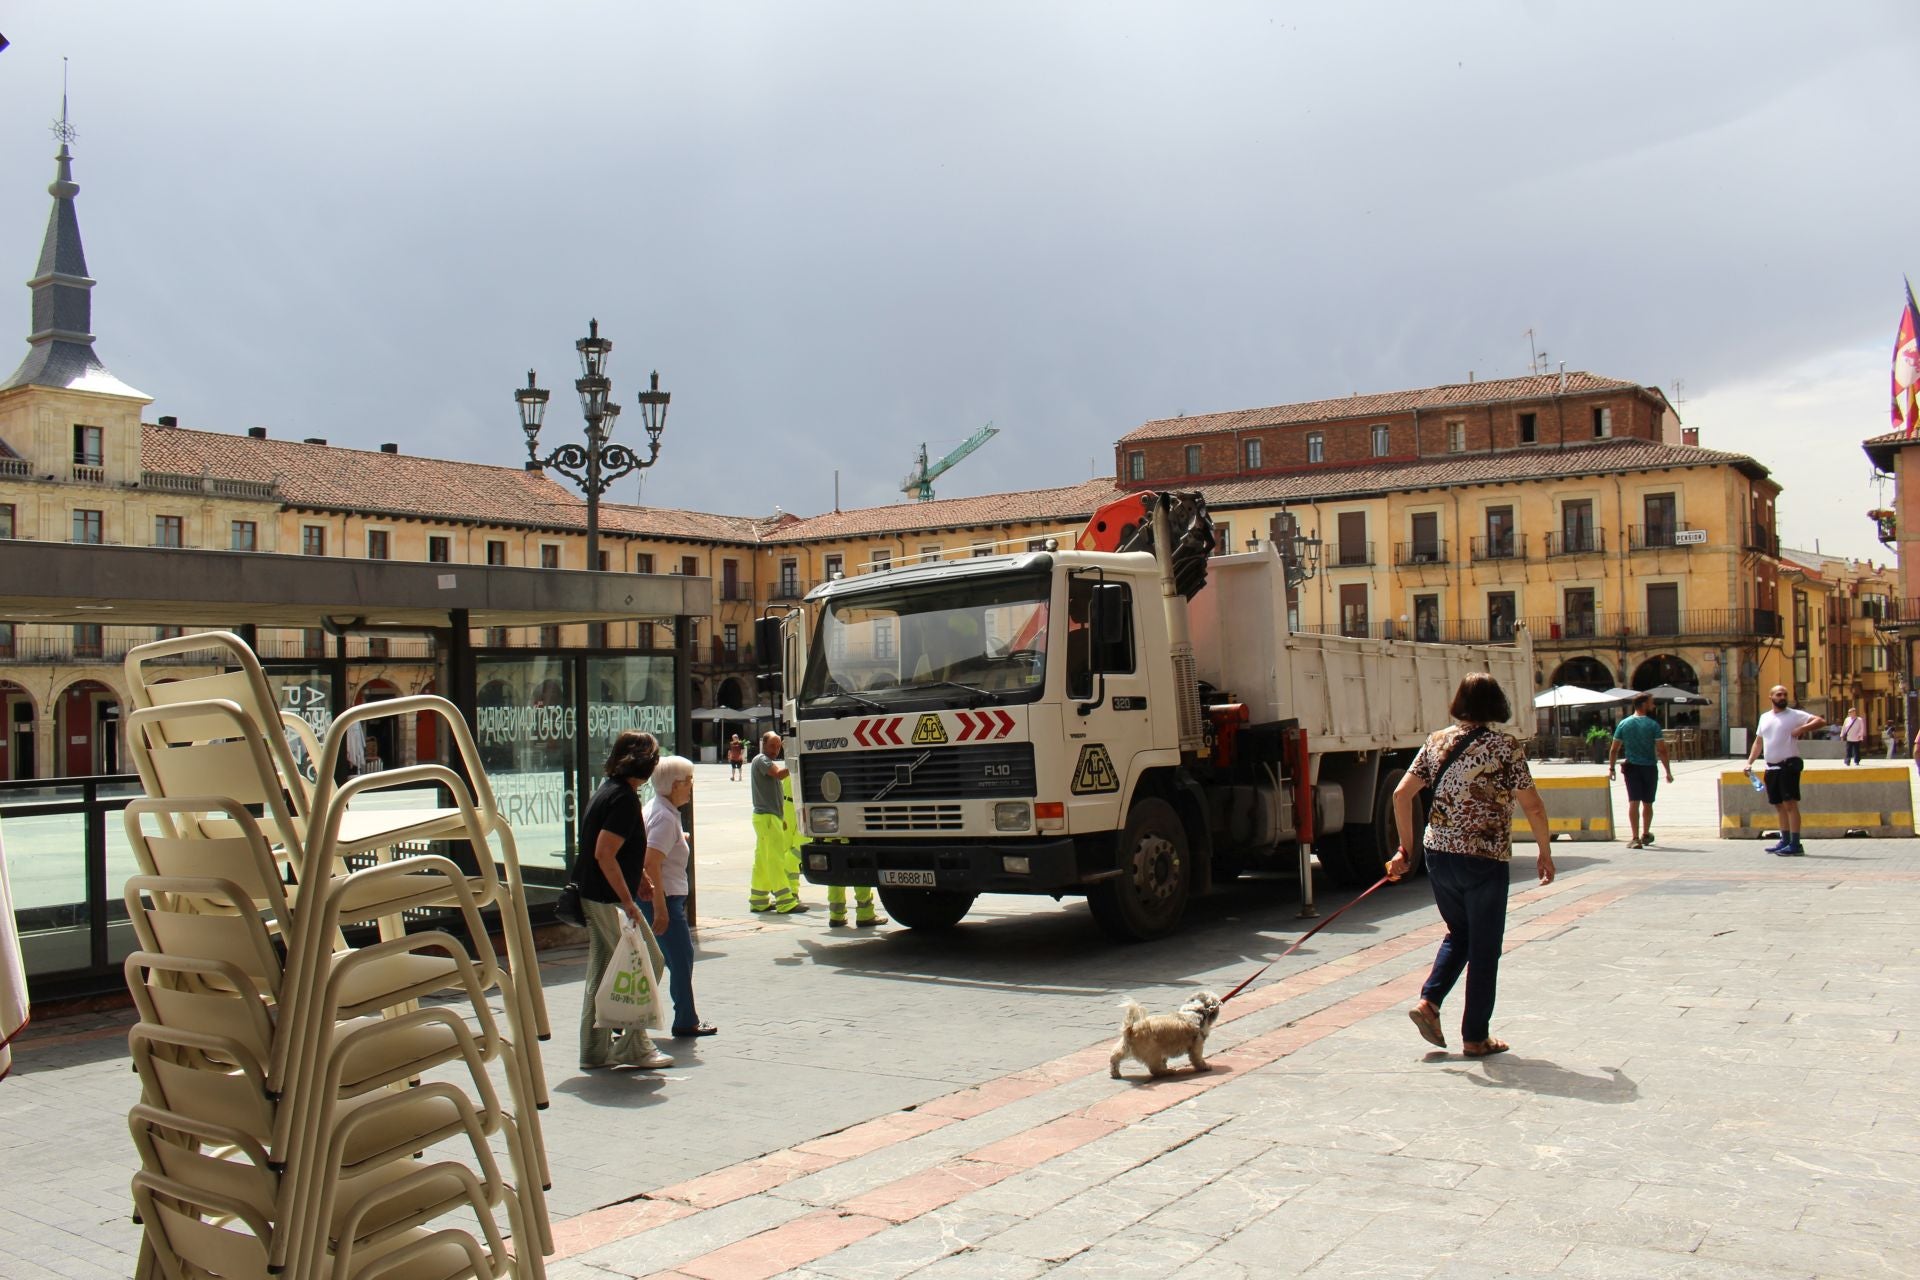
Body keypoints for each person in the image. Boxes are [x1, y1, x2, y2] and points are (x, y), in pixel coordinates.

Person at [1386, 673, 1554, 1058]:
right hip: (1484, 857)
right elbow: (1533, 805)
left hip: (1438, 856)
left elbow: (1400, 794)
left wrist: (1405, 850)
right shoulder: (1505, 747)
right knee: (1484, 948)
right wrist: (1544, 852)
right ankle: (1476, 1037)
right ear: (1498, 705)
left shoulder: (1436, 742)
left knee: (1459, 932)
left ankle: (1429, 1002)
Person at [575, 730, 674, 1070]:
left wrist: (640, 878)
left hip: (596, 895)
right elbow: (605, 853)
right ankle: (633, 1043)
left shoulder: (608, 791)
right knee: (648, 962)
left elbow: (615, 850)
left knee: (604, 972)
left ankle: (594, 1050)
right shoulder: (625, 800)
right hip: (609, 900)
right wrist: (627, 901)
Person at [640, 755, 716, 1038]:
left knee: (660, 960)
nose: (691, 786)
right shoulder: (664, 816)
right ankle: (685, 1020)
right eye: (688, 781)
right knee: (680, 959)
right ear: (673, 785)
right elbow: (651, 862)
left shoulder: (660, 810)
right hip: (666, 899)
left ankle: (632, 1020)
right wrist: (660, 906)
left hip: (662, 898)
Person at [1743, 685, 1824, 857]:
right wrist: (1749, 762)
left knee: (1790, 804)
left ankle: (1796, 843)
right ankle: (1785, 839)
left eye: (1785, 694)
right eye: (1779, 694)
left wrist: (1801, 729)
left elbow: (1820, 721)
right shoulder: (1764, 717)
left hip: (1788, 766)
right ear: (1771, 697)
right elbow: (1759, 742)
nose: (1782, 697)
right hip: (1771, 767)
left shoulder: (1794, 715)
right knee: (1779, 805)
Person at [749, 732, 806, 913]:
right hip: (767, 817)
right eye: (772, 746)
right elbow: (780, 774)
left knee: (762, 860)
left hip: (768, 817)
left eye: (778, 747)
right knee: (775, 859)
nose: (775, 750)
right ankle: (785, 901)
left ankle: (758, 899)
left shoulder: (764, 760)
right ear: (763, 744)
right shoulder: (762, 760)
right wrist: (797, 760)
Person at [1607, 693, 1673, 848]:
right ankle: (1645, 834)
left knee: (1633, 802)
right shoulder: (1653, 725)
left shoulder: (1624, 724)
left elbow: (1614, 749)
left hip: (1631, 768)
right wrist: (1668, 771)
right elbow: (1662, 750)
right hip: (1649, 768)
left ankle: (1635, 838)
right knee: (1648, 803)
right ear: (1643, 705)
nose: (1653, 706)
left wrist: (1611, 768)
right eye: (1651, 703)